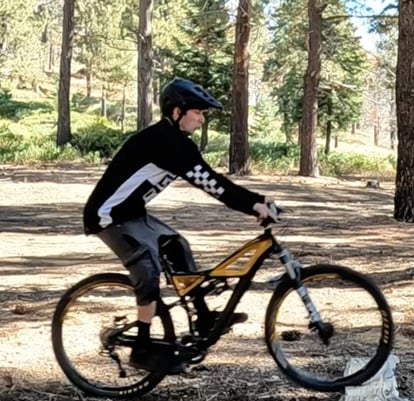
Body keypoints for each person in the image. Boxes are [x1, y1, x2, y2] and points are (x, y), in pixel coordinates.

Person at [83, 77, 275, 373]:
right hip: (107, 215)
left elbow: (215, 179)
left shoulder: (178, 143)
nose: (201, 119)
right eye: (197, 112)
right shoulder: (165, 142)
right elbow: (214, 187)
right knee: (147, 268)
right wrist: (254, 205)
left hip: (132, 213)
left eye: (203, 114)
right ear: (176, 112)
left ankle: (203, 317)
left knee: (177, 245)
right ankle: (142, 348)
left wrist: (259, 199)